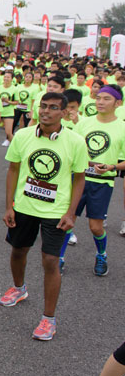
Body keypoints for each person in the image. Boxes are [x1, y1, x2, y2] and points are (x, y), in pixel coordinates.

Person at [0, 91, 87, 341]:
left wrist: (71, 213)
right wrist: (9, 205)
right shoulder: (23, 136)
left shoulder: (75, 141)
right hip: (24, 207)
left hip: (55, 211)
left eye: (52, 108)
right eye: (43, 106)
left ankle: (48, 319)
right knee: (18, 251)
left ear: (64, 112)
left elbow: (79, 178)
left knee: (50, 261)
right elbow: (13, 170)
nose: (46, 111)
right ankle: (19, 288)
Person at [60, 85, 125, 275]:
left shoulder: (122, 127)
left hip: (102, 183)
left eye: (106, 99)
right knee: (67, 219)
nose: (100, 102)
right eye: (98, 98)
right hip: (78, 179)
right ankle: (60, 258)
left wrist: (112, 167)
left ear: (118, 103)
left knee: (95, 227)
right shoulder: (84, 123)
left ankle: (101, 254)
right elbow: (72, 149)